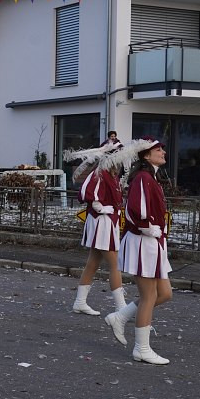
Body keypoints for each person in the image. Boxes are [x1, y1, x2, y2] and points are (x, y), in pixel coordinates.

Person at [103, 137, 172, 365]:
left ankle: (120, 316)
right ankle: (141, 349)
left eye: (162, 149)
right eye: (158, 149)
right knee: (149, 296)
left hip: (153, 241)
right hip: (143, 241)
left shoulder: (151, 177)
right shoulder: (143, 178)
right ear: (146, 155)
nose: (162, 152)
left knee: (164, 294)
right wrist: (147, 227)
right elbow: (133, 209)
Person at [64, 143, 127, 316]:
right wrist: (100, 207)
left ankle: (80, 302)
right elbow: (86, 192)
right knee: (115, 264)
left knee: (93, 263)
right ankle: (121, 307)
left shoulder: (112, 175)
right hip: (102, 222)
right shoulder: (101, 173)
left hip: (108, 221)